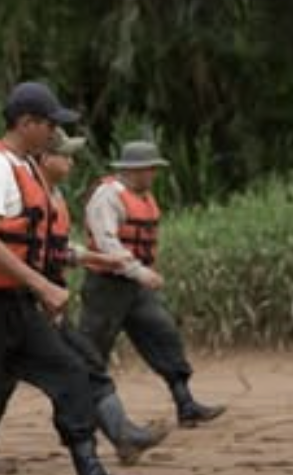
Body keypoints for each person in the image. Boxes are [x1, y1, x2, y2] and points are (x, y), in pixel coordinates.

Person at [0, 82, 113, 475]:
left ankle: (89, 463)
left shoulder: (27, 165)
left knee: (71, 372)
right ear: (27, 123)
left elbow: (37, 240)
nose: (54, 134)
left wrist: (69, 269)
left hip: (17, 303)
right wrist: (43, 286)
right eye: (50, 124)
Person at [0, 129, 170, 472]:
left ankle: (116, 439)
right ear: (44, 158)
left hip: (35, 305)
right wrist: (43, 291)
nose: (71, 162)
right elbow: (16, 250)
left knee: (76, 367)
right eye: (65, 155)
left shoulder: (52, 197)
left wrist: (95, 259)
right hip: (14, 306)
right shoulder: (23, 194)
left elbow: (55, 249)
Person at [79, 140, 227, 428]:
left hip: (134, 287)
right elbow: (107, 242)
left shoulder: (143, 196)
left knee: (163, 335)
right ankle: (80, 418)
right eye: (150, 169)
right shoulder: (107, 196)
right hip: (105, 286)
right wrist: (138, 271)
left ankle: (185, 404)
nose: (153, 175)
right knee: (92, 352)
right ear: (134, 170)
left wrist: (139, 274)